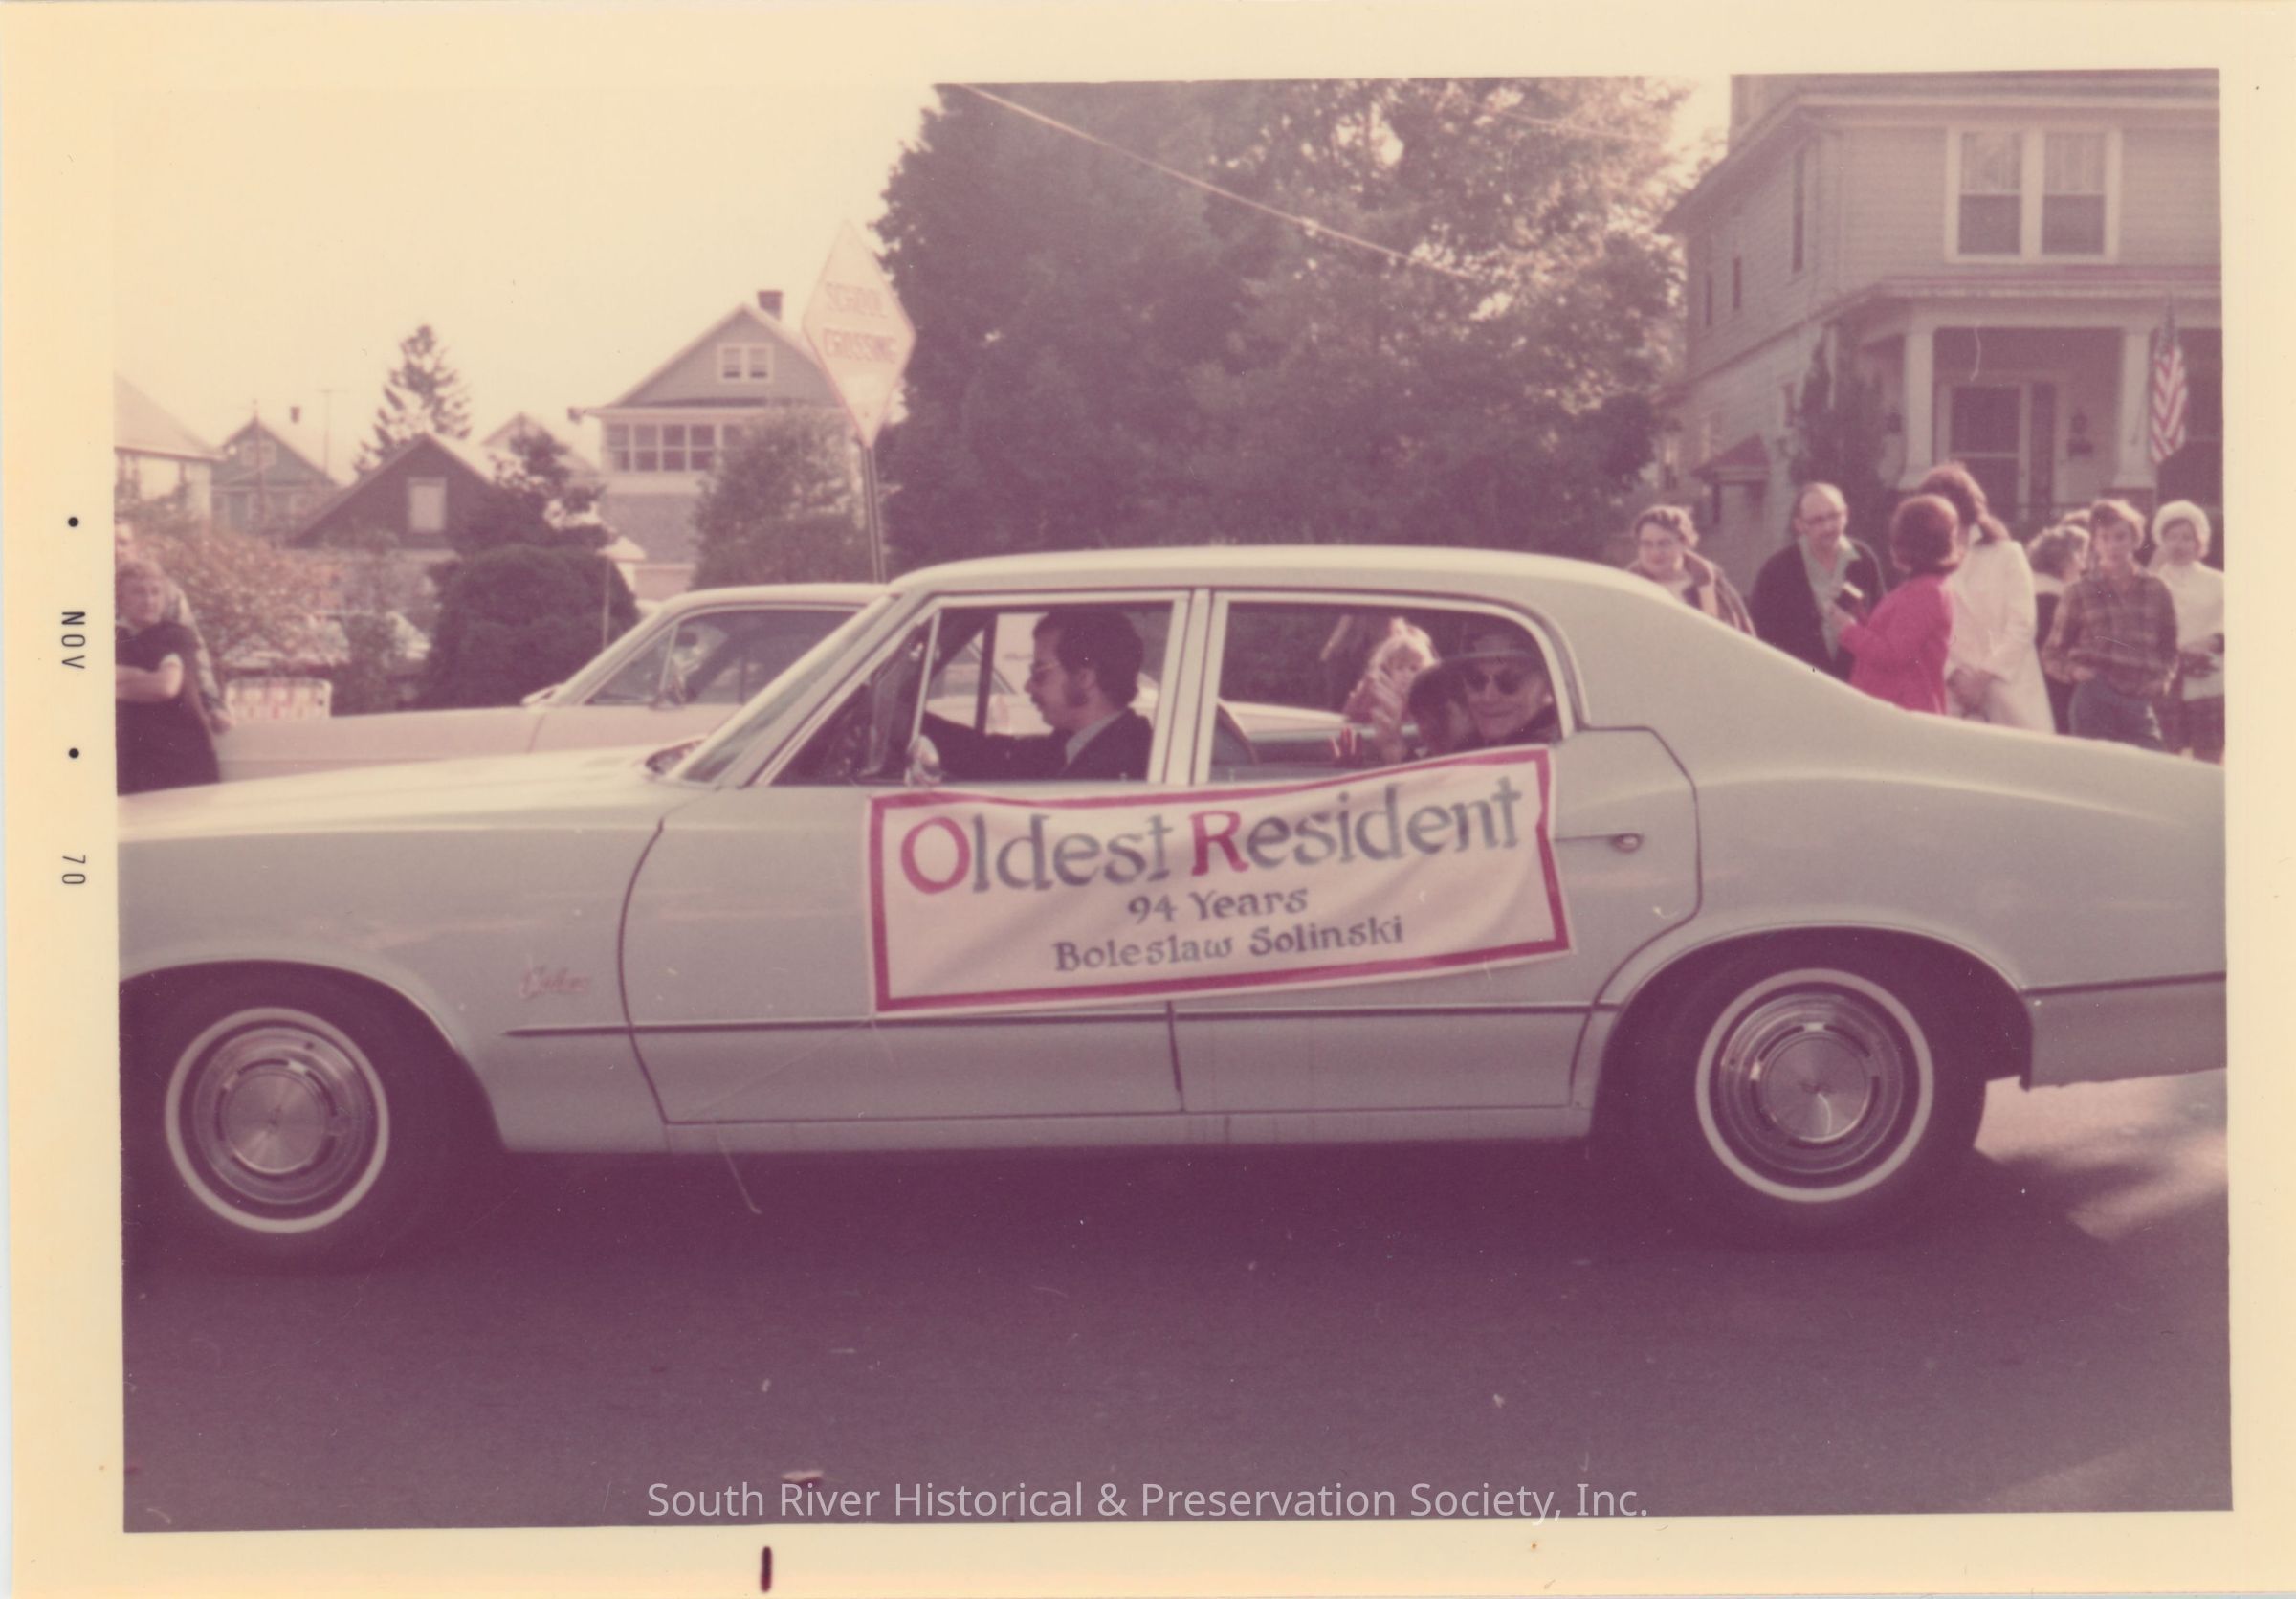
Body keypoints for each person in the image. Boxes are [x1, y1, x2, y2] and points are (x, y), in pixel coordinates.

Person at [923, 607, 1154, 781]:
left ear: (1084, 678)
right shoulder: (1070, 743)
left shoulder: (1129, 764)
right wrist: (916, 722)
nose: (1028, 686)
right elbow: (990, 757)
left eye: (1039, 673)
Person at [1919, 462, 2052, 732]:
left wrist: (1981, 679)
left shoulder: (2007, 554)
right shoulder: (1925, 564)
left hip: (2011, 689)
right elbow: (1926, 632)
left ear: (1966, 504)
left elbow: (2022, 626)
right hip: (1956, 695)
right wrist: (1955, 676)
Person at [2041, 500, 2180, 751]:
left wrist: (2162, 680)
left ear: (2135, 539)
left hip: (2139, 699)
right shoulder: (2079, 591)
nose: (2112, 546)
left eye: (2120, 537)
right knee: (2097, 770)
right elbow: (2052, 653)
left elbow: (2169, 649)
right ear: (2094, 543)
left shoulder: (2157, 589)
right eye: (2104, 538)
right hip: (2095, 695)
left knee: (2151, 763)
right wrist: (2074, 671)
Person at [1749, 482, 1890, 679]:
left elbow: (1882, 625)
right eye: (1817, 520)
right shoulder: (1776, 571)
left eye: (1834, 516)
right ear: (1800, 525)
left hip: (1856, 686)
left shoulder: (1864, 560)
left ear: (1846, 514)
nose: (1828, 527)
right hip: (1800, 686)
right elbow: (1760, 639)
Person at [1835, 495, 1960, 714]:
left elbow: (1892, 655)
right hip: (1895, 707)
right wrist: (1861, 617)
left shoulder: (1926, 591)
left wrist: (1848, 629)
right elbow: (1897, 639)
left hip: (1904, 711)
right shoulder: (1923, 586)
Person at [115, 520, 233, 737]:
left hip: (159, 695)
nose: (115, 550)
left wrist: (211, 702)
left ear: (136, 547)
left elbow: (193, 649)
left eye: (123, 543)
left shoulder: (164, 592)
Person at [116, 559, 222, 794]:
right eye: (138, 592)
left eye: (156, 592)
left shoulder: (176, 636)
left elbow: (165, 687)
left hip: (182, 760)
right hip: (132, 760)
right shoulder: (110, 638)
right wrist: (142, 677)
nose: (149, 601)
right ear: (121, 598)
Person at [2148, 500, 2224, 764]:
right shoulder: (2151, 581)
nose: (2178, 545)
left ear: (2199, 542)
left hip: (2207, 678)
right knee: (2165, 755)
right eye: (2171, 537)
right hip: (2164, 681)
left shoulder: (2218, 582)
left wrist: (2214, 641)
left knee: (2208, 755)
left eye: (2186, 538)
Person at [1622, 505, 1754, 633]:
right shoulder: (1626, 589)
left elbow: (1744, 637)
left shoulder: (1715, 586)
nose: (1655, 552)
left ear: (1684, 543)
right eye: (1647, 544)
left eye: (1664, 543)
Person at [2026, 522, 2090, 735]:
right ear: (2065, 559)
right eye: (2081, 556)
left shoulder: (2034, 593)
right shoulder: (2054, 600)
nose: (2084, 566)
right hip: (2055, 690)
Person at [1449, 627, 1560, 748]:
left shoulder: (1554, 747)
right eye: (1476, 680)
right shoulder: (1466, 747)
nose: (1488, 698)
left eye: (1509, 681)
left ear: (1549, 685)